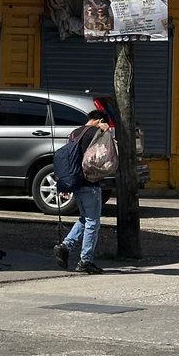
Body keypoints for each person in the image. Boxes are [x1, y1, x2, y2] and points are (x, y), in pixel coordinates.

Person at [52, 108, 109, 275]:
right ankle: (86, 261)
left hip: (76, 183)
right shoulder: (96, 132)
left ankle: (65, 246)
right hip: (90, 183)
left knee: (85, 218)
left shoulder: (75, 133)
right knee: (93, 222)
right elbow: (103, 154)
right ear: (99, 120)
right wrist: (105, 129)